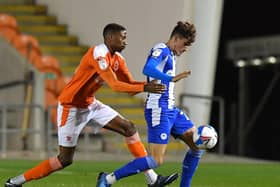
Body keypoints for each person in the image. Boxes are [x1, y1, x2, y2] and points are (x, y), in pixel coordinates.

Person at [5, 23, 178, 187]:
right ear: (110, 38)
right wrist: (145, 87)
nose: (126, 41)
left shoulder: (118, 59)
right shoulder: (98, 54)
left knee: (129, 128)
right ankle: (16, 181)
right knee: (64, 160)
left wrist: (151, 85)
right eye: (122, 38)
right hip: (70, 107)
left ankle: (152, 179)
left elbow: (130, 87)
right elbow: (115, 85)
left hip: (90, 104)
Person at [142, 21, 204, 187]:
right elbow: (147, 68)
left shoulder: (171, 54)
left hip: (171, 110)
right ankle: (110, 178)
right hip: (159, 109)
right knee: (156, 160)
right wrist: (170, 78)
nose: (185, 49)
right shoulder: (161, 49)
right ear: (176, 38)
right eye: (185, 44)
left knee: (197, 146)